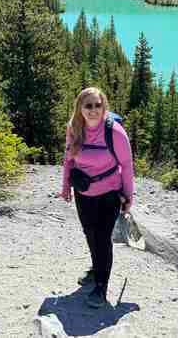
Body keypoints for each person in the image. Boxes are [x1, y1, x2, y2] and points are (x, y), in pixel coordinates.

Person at [60, 87, 134, 308]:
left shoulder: (115, 132)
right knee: (89, 233)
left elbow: (127, 165)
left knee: (102, 238)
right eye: (88, 106)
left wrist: (129, 196)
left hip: (109, 194)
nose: (93, 110)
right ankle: (96, 268)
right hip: (83, 194)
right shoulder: (74, 129)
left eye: (97, 105)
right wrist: (65, 187)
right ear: (80, 109)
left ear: (104, 107)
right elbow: (68, 161)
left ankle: (101, 287)